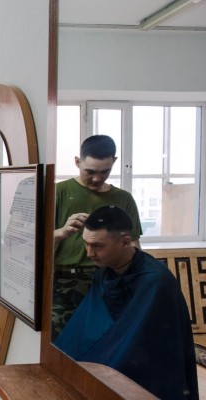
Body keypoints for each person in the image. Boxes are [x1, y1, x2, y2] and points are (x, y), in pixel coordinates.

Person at [54, 206, 201, 400]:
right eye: (86, 243)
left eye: (97, 246)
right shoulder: (105, 270)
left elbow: (139, 345)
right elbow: (86, 326)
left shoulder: (156, 282)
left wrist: (101, 369)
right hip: (114, 352)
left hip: (147, 372)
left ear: (125, 242)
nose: (89, 253)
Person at [52, 134, 142, 338]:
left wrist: (137, 280)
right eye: (90, 172)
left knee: (107, 340)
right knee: (61, 340)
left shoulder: (123, 199)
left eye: (105, 172)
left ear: (114, 162)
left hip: (111, 279)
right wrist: (61, 232)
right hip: (65, 280)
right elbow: (31, 243)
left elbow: (134, 245)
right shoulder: (58, 192)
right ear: (78, 162)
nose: (97, 178)